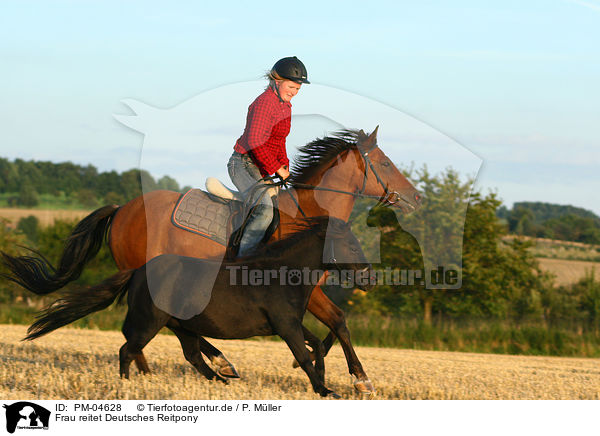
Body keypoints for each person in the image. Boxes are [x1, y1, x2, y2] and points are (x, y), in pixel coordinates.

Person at [227, 56, 309, 256]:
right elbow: (255, 142)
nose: (294, 93)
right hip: (243, 164)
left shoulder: (285, 105)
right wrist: (277, 169)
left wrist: (285, 166)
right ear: (277, 81)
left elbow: (279, 141)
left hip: (261, 166)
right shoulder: (265, 103)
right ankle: (242, 261)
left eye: (297, 89)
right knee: (264, 211)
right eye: (291, 87)